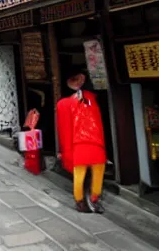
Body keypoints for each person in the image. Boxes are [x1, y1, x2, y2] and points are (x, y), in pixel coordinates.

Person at [57, 69, 106, 214]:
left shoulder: (65, 104)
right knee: (96, 173)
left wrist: (65, 151)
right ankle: (93, 200)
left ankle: (81, 202)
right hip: (94, 143)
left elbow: (64, 130)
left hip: (80, 144)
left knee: (81, 174)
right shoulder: (91, 99)